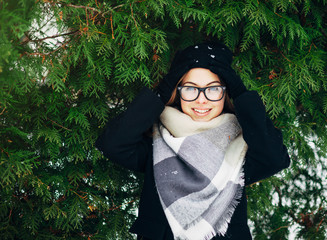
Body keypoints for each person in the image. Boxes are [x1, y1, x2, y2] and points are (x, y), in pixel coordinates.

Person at [95, 42, 290, 240]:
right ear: (176, 91)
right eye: (190, 88)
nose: (201, 100)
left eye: (213, 89)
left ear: (226, 92)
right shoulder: (157, 142)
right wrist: (161, 91)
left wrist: (239, 91)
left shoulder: (241, 145)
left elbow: (275, 159)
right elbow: (112, 143)